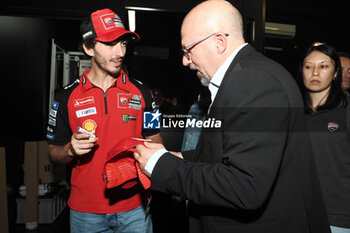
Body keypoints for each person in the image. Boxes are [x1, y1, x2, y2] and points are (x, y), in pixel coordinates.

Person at [133, 1, 331, 233]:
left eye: (188, 50)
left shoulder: (253, 82)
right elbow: (228, 151)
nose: (185, 61)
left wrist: (161, 165)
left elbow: (245, 186)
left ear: (219, 42)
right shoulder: (243, 77)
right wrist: (180, 157)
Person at [46, 8, 162, 233]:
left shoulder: (144, 92)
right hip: (85, 212)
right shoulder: (65, 97)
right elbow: (53, 152)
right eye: (110, 43)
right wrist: (70, 149)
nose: (120, 52)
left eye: (124, 43)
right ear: (88, 47)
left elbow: (155, 138)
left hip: (135, 210)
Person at [297, 42, 350, 233]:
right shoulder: (292, 112)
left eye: (324, 66)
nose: (315, 73)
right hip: (297, 214)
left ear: (335, 73)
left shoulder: (345, 110)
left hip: (337, 218)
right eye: (309, 66)